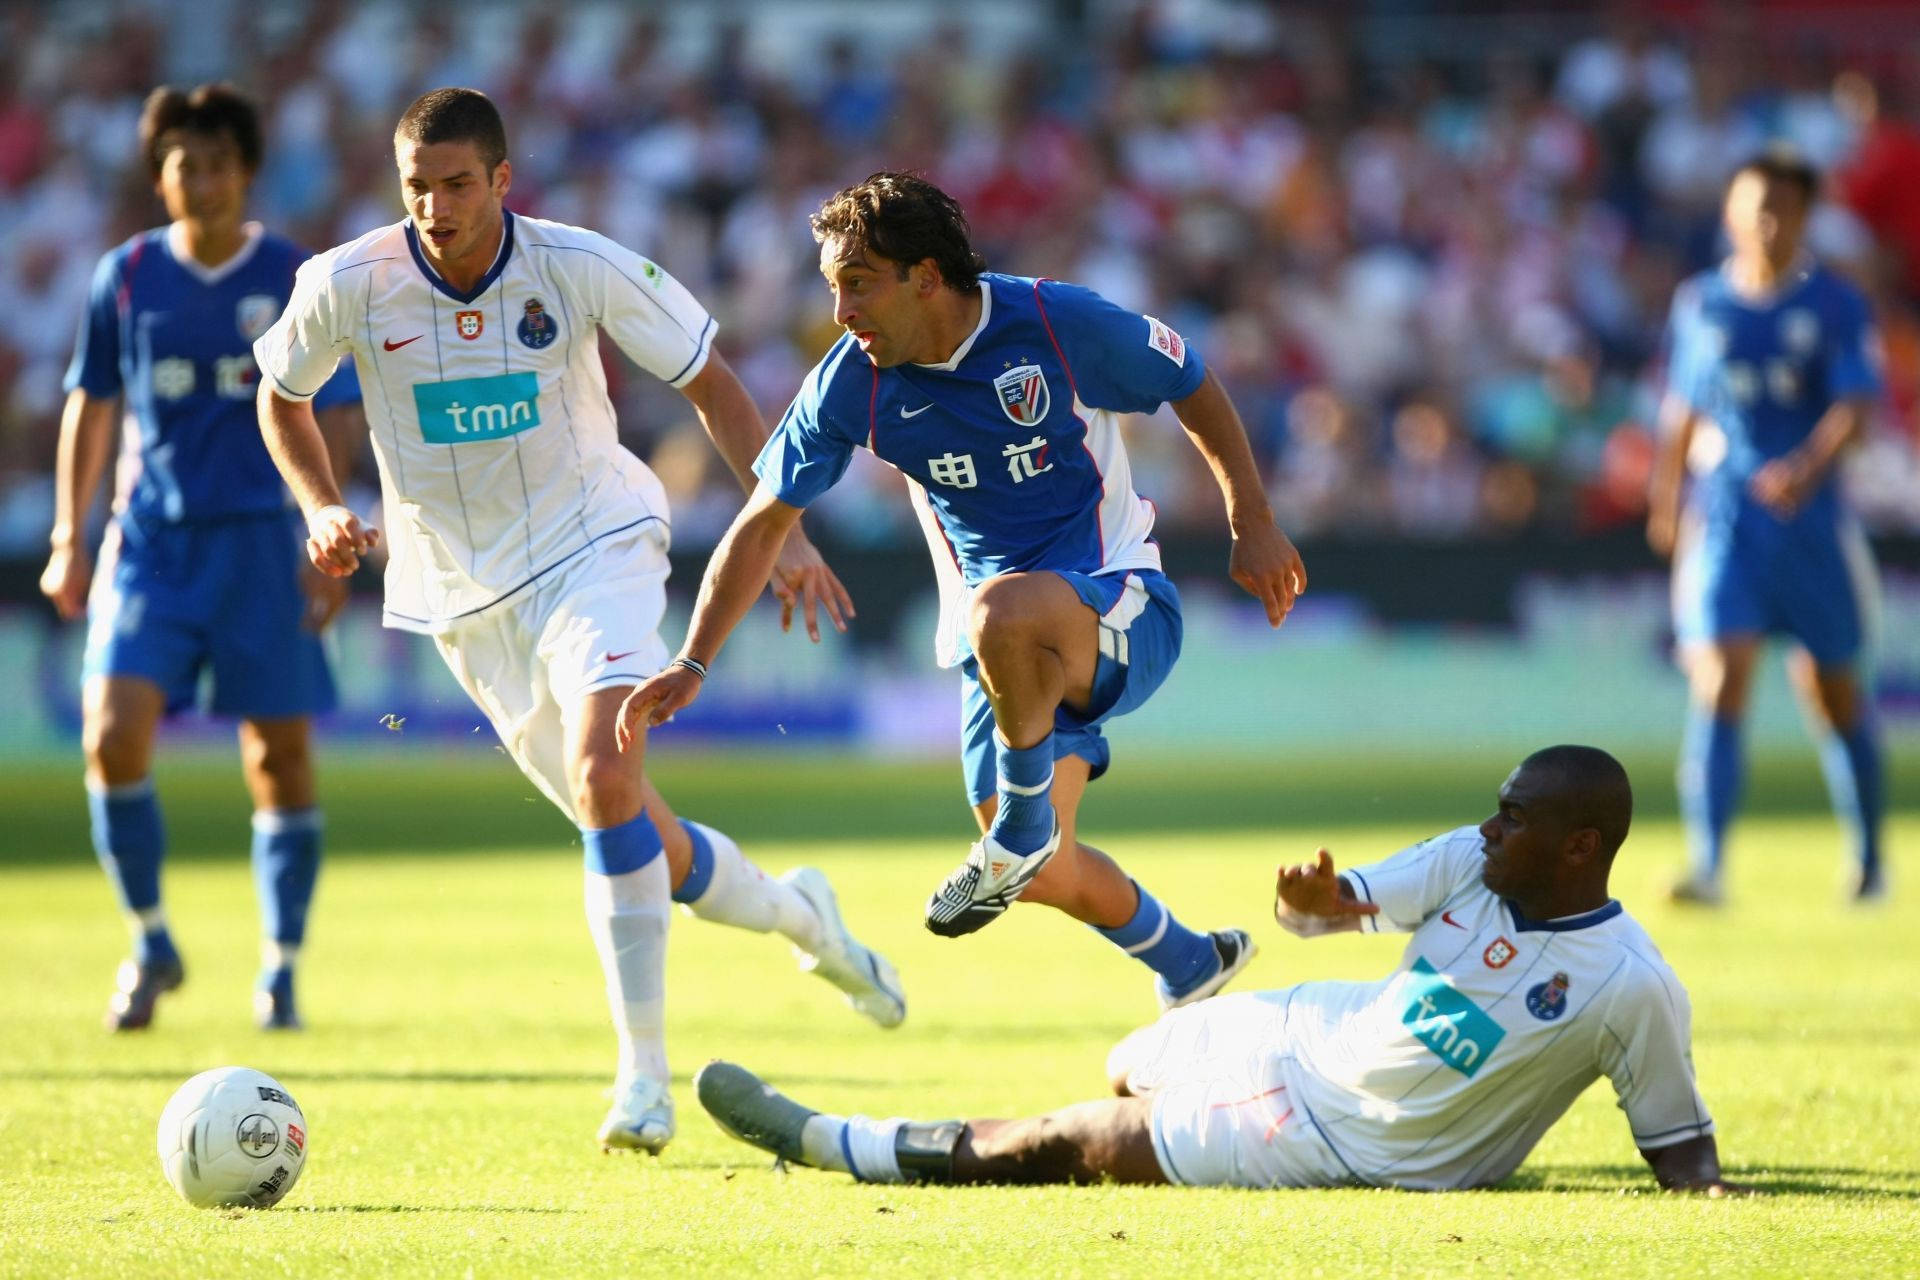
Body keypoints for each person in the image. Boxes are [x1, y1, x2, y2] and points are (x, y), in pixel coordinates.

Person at [252, 88, 902, 1155]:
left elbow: (711, 380)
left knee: (607, 774)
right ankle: (803, 916)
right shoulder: (346, 284)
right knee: (638, 828)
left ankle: (642, 1079)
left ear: (502, 181)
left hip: (597, 542)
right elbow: (281, 393)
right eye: (418, 186)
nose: (436, 206)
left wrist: (779, 522)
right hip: (466, 597)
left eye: (458, 184)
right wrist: (322, 504)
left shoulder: (577, 264)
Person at [619, 172, 1308, 1011]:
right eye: (833, 288)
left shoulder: (1058, 323)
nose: (839, 312)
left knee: (1004, 627)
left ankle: (1021, 825)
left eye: (858, 285)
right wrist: (693, 661)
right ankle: (1191, 960)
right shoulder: (852, 383)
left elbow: (1190, 381)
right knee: (1044, 870)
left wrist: (1254, 521)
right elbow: (763, 524)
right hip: (1002, 662)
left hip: (1118, 600)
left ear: (927, 277)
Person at [696, 746, 1746, 1196]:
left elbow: (1683, 1155)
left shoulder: (1629, 984)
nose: (1490, 822)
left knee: (1077, 1139)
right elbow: (1320, 915)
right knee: (1126, 1065)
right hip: (1317, 1020)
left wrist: (1714, 1200)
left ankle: (830, 1139)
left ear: (1579, 846)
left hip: (1349, 1137)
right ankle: (1190, 1020)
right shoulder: (1469, 858)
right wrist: (1304, 900)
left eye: (1516, 814)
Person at [40, 84, 363, 1033]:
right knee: (111, 735)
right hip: (153, 543)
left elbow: (333, 411)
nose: (206, 179)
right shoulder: (127, 276)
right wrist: (71, 536)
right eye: (187, 163)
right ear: (161, 176)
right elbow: (91, 406)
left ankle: (282, 967)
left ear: (247, 171)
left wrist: (325, 525)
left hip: (266, 542)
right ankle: (150, 942)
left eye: (221, 162)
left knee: (280, 755)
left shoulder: (295, 276)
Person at [1648, 149, 1887, 906]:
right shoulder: (1701, 304)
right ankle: (1710, 866)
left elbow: (1855, 408)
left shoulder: (1835, 305)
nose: (1769, 221)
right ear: (1730, 212)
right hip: (1726, 518)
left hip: (1812, 524)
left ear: (1807, 216)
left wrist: (1805, 469)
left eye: (1784, 207)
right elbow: (1682, 409)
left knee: (1832, 691)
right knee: (1719, 675)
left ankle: (1870, 863)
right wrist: (1665, 500)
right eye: (1756, 205)